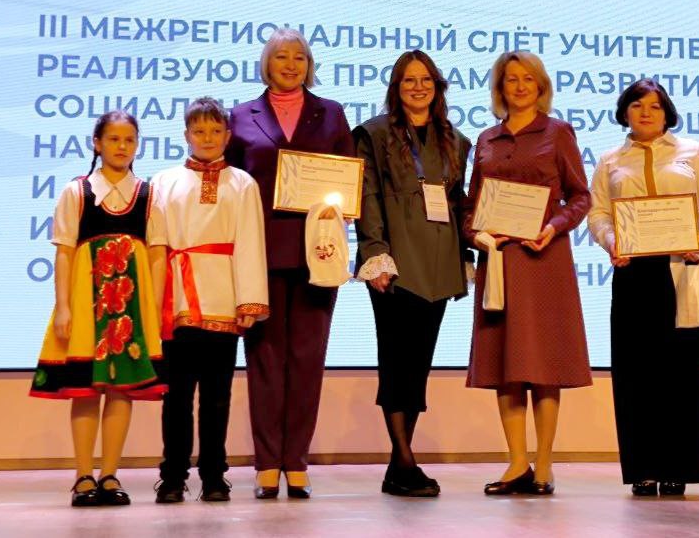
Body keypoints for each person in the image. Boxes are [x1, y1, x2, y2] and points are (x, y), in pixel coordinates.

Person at [226, 28, 355, 499]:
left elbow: (350, 181)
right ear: (267, 63)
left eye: (299, 57)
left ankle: (296, 462)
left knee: (307, 360)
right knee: (264, 361)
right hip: (260, 253)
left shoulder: (331, 113)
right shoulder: (240, 115)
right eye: (281, 56)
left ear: (309, 64)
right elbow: (230, 184)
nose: (290, 64)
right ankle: (267, 463)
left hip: (317, 254)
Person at [588, 78, 699, 497]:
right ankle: (643, 469)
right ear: (624, 112)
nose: (646, 112)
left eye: (654, 106)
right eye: (637, 105)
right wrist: (611, 241)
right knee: (635, 372)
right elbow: (598, 213)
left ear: (667, 112)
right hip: (633, 273)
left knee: (683, 372)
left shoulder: (693, 153)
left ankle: (678, 467)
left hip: (682, 269)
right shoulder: (610, 160)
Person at [463, 52, 592, 496]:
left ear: (541, 86)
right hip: (499, 261)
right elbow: (471, 206)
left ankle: (544, 464)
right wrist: (477, 235)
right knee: (506, 363)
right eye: (510, 80)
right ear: (500, 88)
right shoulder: (486, 139)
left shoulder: (558, 133)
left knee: (543, 363)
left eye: (527, 79)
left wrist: (553, 227)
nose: (519, 86)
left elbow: (580, 196)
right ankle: (517, 462)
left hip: (544, 260)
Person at [29, 111, 167, 506]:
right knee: (86, 390)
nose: (122, 146)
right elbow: (64, 253)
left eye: (129, 140)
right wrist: (63, 307)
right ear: (97, 143)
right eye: (113, 139)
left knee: (121, 391)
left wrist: (153, 311)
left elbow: (157, 254)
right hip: (88, 305)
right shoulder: (77, 192)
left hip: (130, 309)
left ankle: (109, 474)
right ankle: (83, 476)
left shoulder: (149, 194)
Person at [354, 50, 473, 497]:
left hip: (439, 262)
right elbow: (366, 196)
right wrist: (375, 252)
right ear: (396, 88)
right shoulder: (373, 134)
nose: (418, 87)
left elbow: (459, 203)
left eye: (426, 80)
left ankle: (399, 464)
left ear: (437, 87)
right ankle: (404, 461)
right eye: (409, 80)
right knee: (396, 361)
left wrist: (465, 254)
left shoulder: (457, 141)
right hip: (395, 264)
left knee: (418, 365)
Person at [152, 97, 269, 503]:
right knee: (176, 396)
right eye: (199, 131)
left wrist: (249, 301)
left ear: (228, 135)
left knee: (218, 397)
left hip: (223, 299)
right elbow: (157, 246)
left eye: (215, 131)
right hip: (179, 301)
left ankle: (215, 475)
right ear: (185, 135)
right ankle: (172, 476)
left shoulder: (242, 183)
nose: (207, 138)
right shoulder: (163, 181)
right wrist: (155, 302)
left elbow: (250, 242)